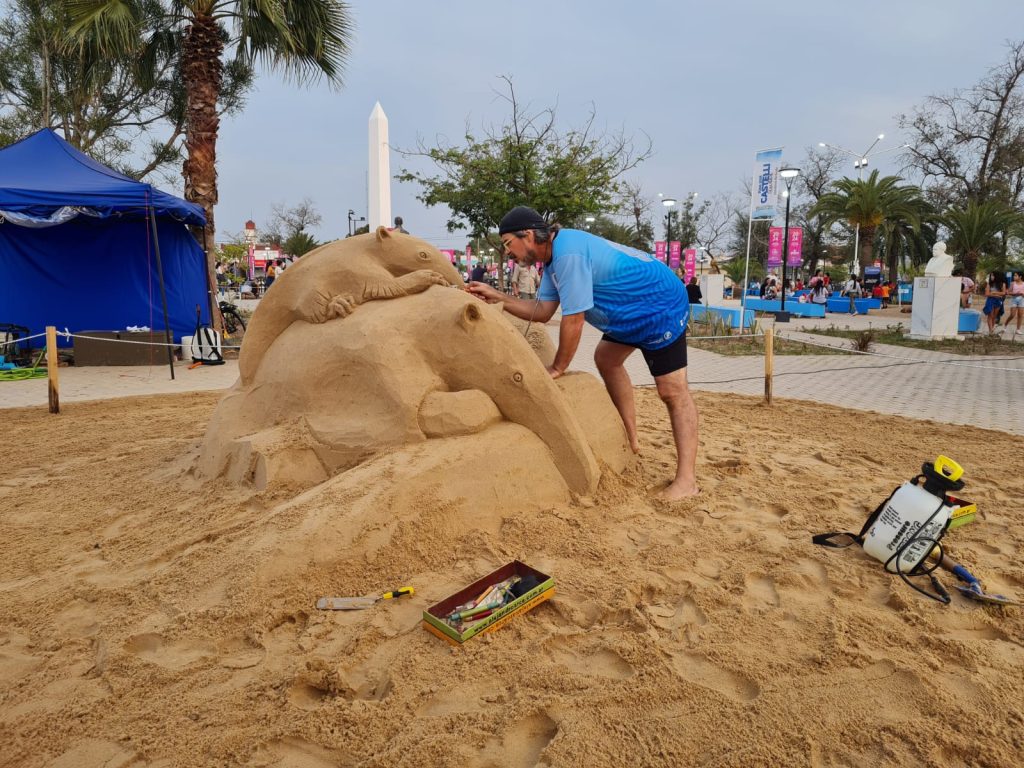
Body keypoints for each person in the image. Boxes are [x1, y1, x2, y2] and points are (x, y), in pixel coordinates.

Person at [467, 206, 699, 501]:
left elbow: (573, 319)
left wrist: (558, 367)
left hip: (659, 305)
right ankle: (631, 436)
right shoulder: (551, 259)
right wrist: (496, 295)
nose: (508, 253)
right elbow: (542, 311)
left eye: (508, 244)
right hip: (626, 315)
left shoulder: (567, 253)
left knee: (672, 391)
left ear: (526, 235)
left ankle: (687, 480)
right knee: (606, 358)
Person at [1003, 270, 1024, 335]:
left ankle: (1018, 329)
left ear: (1020, 277)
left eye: (1015, 275)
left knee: (1020, 315)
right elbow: (1008, 292)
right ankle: (1005, 325)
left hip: (1022, 300)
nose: (1014, 276)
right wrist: (1015, 293)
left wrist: (1022, 294)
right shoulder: (1012, 283)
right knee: (1012, 315)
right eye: (1014, 275)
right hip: (1013, 300)